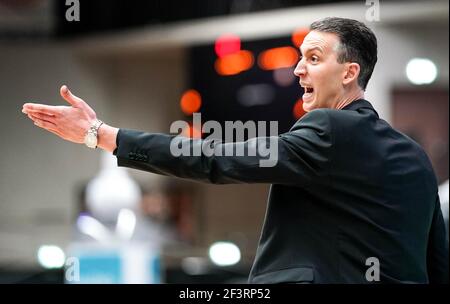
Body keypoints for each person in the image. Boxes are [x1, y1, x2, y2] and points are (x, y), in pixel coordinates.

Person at [22, 17, 448, 284]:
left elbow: (214, 159)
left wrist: (102, 134)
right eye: (299, 57)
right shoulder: (415, 159)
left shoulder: (329, 127)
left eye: (314, 58)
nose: (299, 68)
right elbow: (437, 263)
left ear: (351, 72)